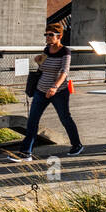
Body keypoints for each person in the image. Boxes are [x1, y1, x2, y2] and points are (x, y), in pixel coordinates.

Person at [16, 25, 82, 160]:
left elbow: (64, 71)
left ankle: (77, 145)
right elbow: (42, 66)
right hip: (41, 90)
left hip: (59, 91)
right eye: (46, 35)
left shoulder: (65, 52)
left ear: (60, 36)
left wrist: (55, 87)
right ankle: (26, 152)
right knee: (32, 120)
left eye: (51, 34)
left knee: (65, 118)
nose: (48, 37)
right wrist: (38, 59)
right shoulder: (46, 49)